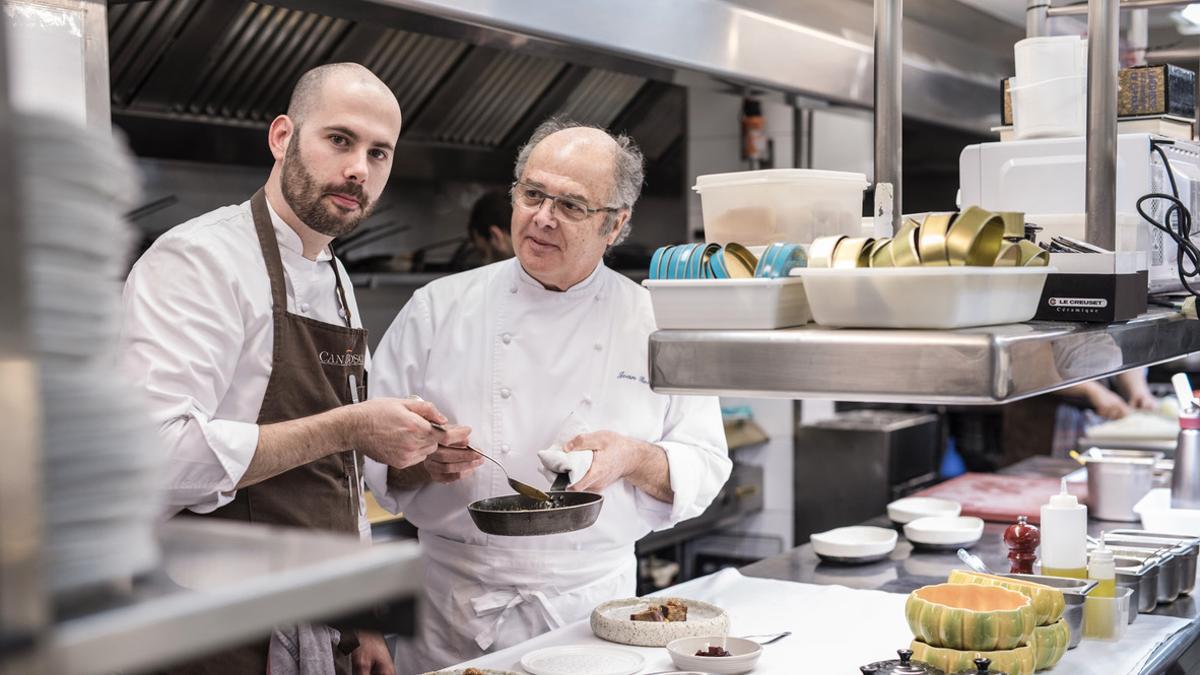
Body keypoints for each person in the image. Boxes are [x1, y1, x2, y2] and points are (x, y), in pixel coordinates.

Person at [119, 62, 468, 675]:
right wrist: (348, 426)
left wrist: (361, 615)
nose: (359, 168)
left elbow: (335, 479)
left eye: (379, 153)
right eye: (340, 140)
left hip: (317, 621)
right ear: (282, 138)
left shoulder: (332, 273)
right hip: (213, 628)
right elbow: (155, 459)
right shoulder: (199, 260)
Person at [365, 118, 732, 671]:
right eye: (532, 194)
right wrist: (420, 463)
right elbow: (365, 461)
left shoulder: (656, 323)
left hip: (593, 616)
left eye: (571, 205)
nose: (542, 217)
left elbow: (705, 465)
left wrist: (632, 457)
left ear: (616, 224)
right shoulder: (437, 309)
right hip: (455, 612)